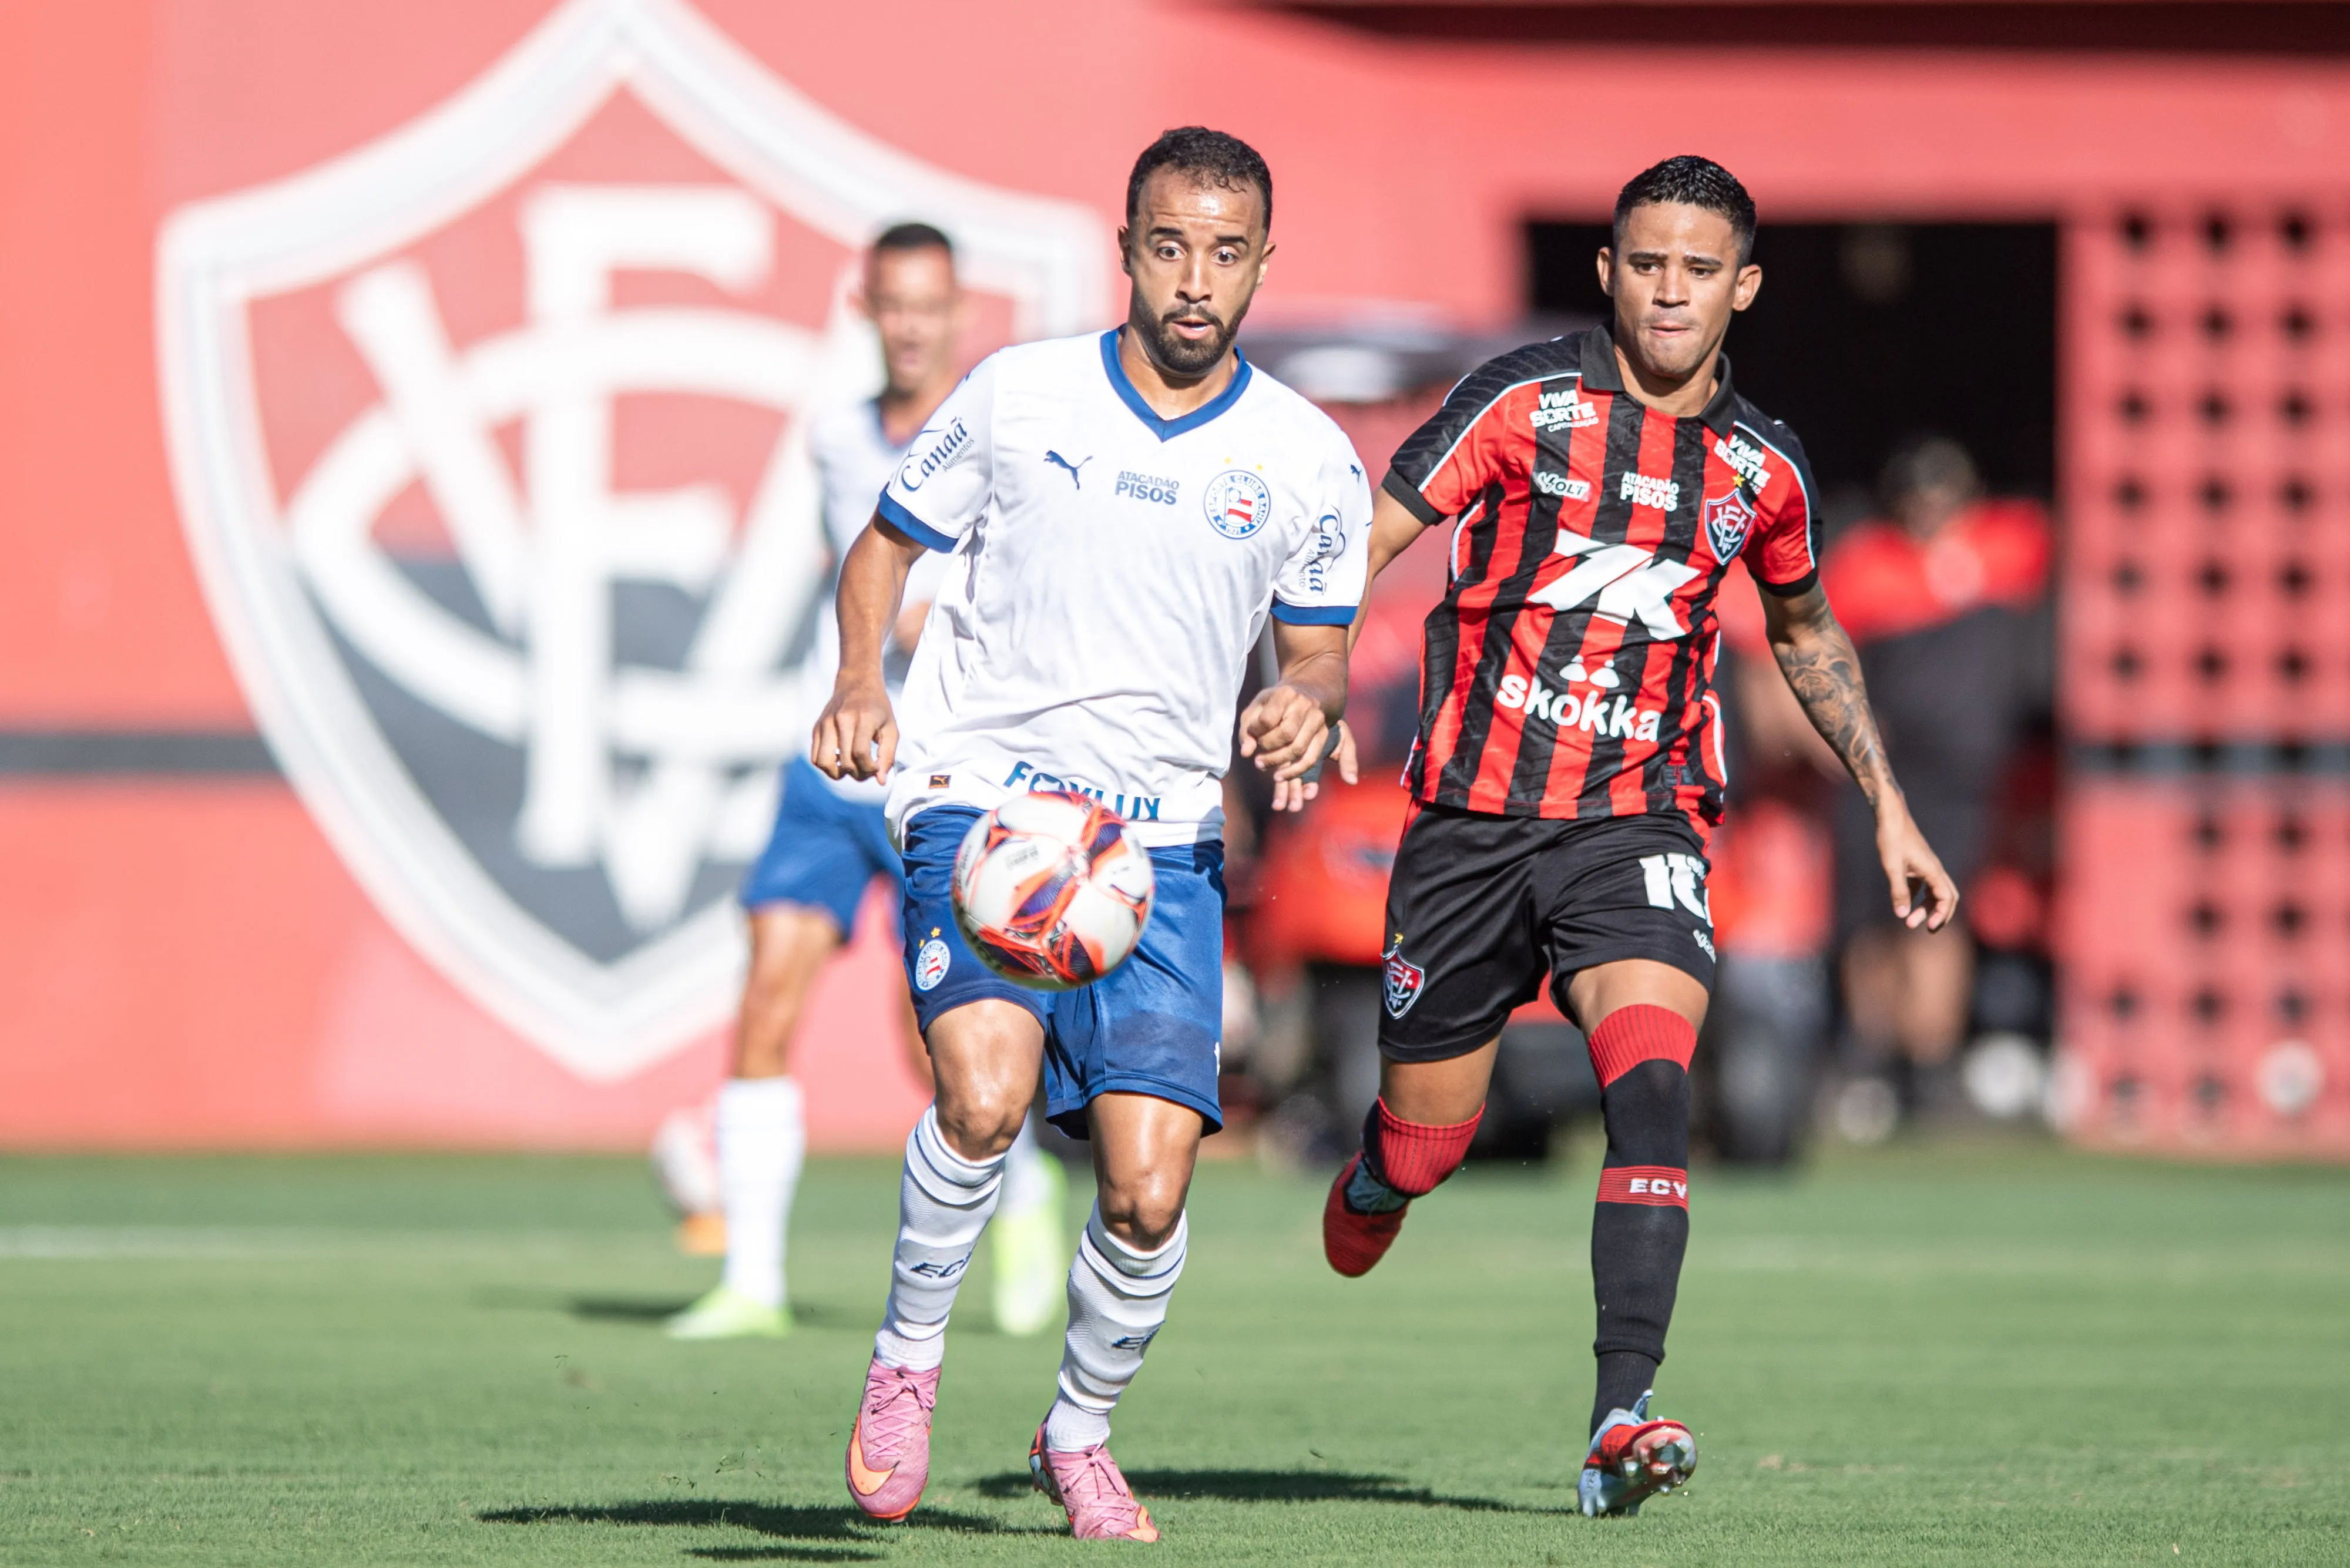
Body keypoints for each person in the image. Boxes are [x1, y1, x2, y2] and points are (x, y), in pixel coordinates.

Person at [1317, 156, 1959, 1517]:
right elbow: (1366, 536)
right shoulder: (1522, 399)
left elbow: (1804, 633)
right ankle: (1381, 1169)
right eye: (1646, 264)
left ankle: (1620, 1414)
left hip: (1640, 818)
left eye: (1697, 268)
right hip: (1472, 826)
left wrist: (1888, 806)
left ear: (1744, 286)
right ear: (1609, 270)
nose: (1670, 290)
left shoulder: (1761, 467)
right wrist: (1309, 677)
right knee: (1428, 1141)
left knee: (1653, 1089)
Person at [813, 127, 1368, 1542]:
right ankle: (907, 1360)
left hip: (1161, 844)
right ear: (1125, 249)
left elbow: (1313, 655)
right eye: (1168, 245)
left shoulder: (1305, 458)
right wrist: (862, 679)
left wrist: (1304, 708)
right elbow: (882, 547)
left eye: (1225, 250)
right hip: (983, 799)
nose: (1195, 277)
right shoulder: (1014, 395)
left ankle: (1077, 1431)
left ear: (1260, 261)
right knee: (985, 1097)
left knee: (1142, 1189)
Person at [659, 223, 1067, 1342]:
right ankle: (752, 1279)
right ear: (864, 307)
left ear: (959, 310)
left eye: (929, 305)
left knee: (927, 1027)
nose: (910, 325)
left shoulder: (1005, 430)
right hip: (832, 754)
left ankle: (1027, 1198)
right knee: (768, 992)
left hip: (941, 767)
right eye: (892, 304)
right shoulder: (836, 439)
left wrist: (934, 624)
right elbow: (858, 571)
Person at [1820, 437, 2052, 1119]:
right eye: (1920, 498)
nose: (1933, 510)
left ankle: (1930, 1067)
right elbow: (1817, 649)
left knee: (1939, 915)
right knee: (1868, 917)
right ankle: (1869, 1062)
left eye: (1946, 497)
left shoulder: (2007, 545)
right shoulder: (1865, 565)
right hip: (1880, 771)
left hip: (1960, 774)